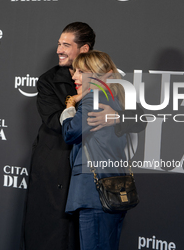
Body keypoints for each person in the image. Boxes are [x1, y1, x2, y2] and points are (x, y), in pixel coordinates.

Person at [23, 22, 145, 250]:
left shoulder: (104, 87)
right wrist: (76, 105)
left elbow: (140, 118)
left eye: (66, 45)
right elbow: (55, 123)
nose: (59, 49)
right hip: (58, 171)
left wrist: (116, 116)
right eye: (59, 43)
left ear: (84, 49)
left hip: (92, 178)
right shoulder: (49, 81)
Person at [60, 50, 128, 250]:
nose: (73, 76)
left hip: (94, 193)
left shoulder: (93, 97)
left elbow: (70, 133)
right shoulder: (115, 96)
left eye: (80, 72)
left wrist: (69, 107)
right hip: (114, 189)